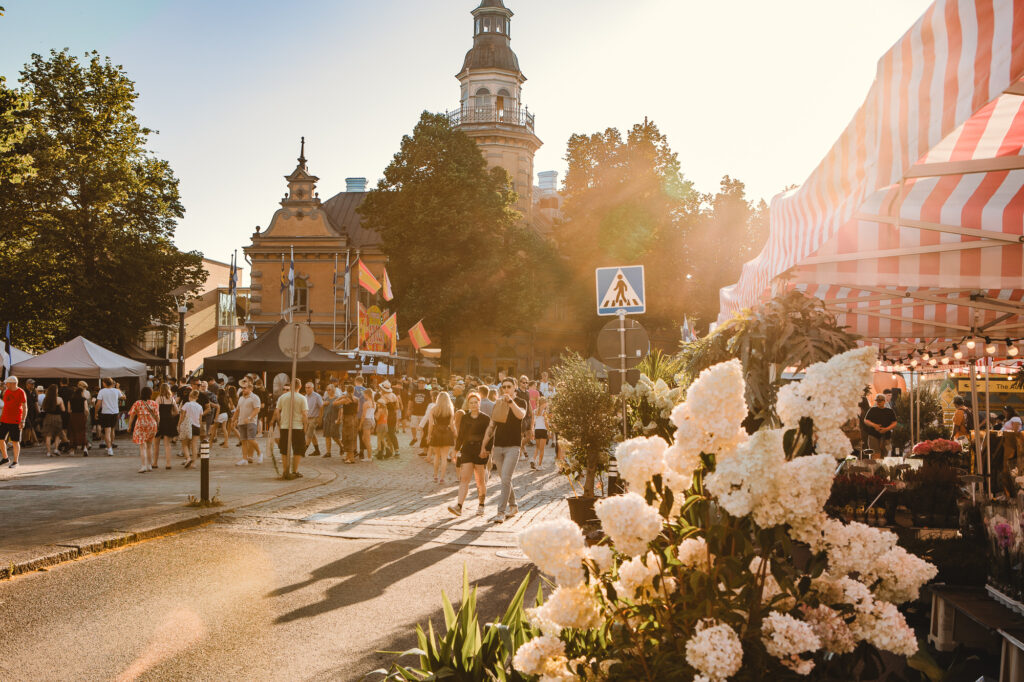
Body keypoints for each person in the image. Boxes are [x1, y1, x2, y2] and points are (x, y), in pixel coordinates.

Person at [480, 378, 527, 523]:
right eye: (504, 387)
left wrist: (510, 402)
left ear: (515, 388)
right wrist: (483, 446)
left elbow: (521, 415)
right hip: (498, 446)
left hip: (513, 446)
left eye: (509, 387)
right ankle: (513, 506)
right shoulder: (497, 404)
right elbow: (491, 426)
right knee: (505, 479)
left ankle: (500, 512)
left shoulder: (520, 402)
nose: (506, 389)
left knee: (505, 478)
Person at [448, 392, 491, 517]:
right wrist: (456, 450)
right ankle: (459, 506)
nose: (473, 405)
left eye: (475, 402)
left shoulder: (485, 418)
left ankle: (481, 505)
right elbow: (461, 435)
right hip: (467, 450)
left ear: (479, 403)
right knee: (464, 479)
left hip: (480, 451)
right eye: (471, 403)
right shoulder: (465, 418)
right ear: (468, 404)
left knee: (480, 481)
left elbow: (489, 436)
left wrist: (486, 450)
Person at [273, 378, 308, 479]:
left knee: (284, 449)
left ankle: (285, 471)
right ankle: (295, 470)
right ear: (300, 386)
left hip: (285, 426)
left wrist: (280, 424)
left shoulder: (282, 397)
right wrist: (305, 427)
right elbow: (305, 414)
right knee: (297, 450)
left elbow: (277, 412)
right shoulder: (302, 398)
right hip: (297, 427)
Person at [127, 387, 159, 473]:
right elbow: (157, 416)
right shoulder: (154, 403)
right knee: (149, 446)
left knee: (142, 446)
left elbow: (132, 416)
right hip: (152, 425)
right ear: (151, 394)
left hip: (141, 424)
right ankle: (149, 465)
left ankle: (143, 466)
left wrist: (129, 426)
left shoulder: (137, 403)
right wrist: (157, 424)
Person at [427, 391, 456, 484]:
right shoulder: (450, 409)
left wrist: (428, 435)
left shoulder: (433, 409)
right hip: (446, 433)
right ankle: (442, 478)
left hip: (436, 433)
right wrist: (455, 433)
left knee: (436, 456)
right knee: (444, 457)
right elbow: (452, 425)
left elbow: (430, 424)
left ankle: (435, 476)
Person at [0, 376, 28, 468]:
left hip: (16, 420)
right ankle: (5, 458)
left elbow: (25, 407)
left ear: (13, 383)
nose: (6, 385)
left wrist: (23, 420)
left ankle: (16, 461)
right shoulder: (6, 391)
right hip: (4, 419)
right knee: (1, 439)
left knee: (15, 441)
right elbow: (5, 405)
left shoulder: (21, 392)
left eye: (7, 383)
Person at [235, 379, 262, 465]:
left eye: (245, 388)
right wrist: (233, 419)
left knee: (251, 439)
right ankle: (244, 459)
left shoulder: (255, 397)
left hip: (251, 422)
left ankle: (260, 453)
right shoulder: (241, 398)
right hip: (241, 421)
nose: (243, 390)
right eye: (242, 388)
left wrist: (249, 417)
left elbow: (257, 409)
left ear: (251, 389)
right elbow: (237, 410)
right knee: (243, 440)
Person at [863, 394, 897, 459]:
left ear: (884, 401)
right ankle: (875, 468)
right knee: (875, 455)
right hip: (873, 435)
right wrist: (874, 425)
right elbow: (866, 420)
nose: (878, 402)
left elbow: (894, 422)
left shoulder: (890, 411)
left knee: (885, 456)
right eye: (877, 401)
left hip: (886, 436)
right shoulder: (872, 410)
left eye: (880, 401)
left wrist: (886, 429)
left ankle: (882, 468)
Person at [95, 377, 124, 456]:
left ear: (105, 383)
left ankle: (110, 449)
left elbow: (98, 404)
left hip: (106, 412)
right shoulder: (116, 391)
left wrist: (96, 412)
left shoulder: (102, 391)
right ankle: (110, 445)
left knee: (107, 431)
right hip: (115, 412)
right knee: (112, 430)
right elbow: (124, 397)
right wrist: (118, 388)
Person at [155, 383, 178, 469]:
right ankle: (168, 464)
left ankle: (155, 463)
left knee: (156, 443)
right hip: (169, 421)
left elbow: (156, 411)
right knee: (167, 444)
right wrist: (171, 414)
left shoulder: (159, 398)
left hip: (160, 421)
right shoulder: (172, 399)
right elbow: (176, 411)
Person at [179, 390, 203, 468]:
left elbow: (182, 416)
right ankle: (193, 463)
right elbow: (200, 419)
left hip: (187, 425)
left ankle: (188, 458)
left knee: (185, 444)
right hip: (196, 426)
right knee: (194, 445)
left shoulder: (187, 404)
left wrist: (179, 425)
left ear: (190, 397)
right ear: (197, 398)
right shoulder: (200, 406)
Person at [40, 384, 65, 457]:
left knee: (48, 435)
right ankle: (56, 449)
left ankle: (48, 451)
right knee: (58, 434)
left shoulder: (46, 399)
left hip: (48, 417)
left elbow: (43, 408)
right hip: (57, 417)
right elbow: (63, 409)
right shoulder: (59, 399)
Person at [378, 381, 400, 457]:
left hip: (386, 415)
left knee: (383, 433)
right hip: (393, 415)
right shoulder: (394, 395)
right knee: (392, 433)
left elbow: (381, 408)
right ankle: (396, 450)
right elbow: (397, 407)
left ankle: (384, 451)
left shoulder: (383, 397)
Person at [339, 384, 359, 463]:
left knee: (347, 438)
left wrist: (342, 397)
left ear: (347, 391)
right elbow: (357, 410)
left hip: (347, 419)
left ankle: (350, 458)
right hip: (354, 418)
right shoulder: (356, 399)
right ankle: (349, 457)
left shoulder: (346, 399)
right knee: (353, 437)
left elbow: (334, 403)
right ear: (353, 391)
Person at [322, 385, 343, 458]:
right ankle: (328, 452)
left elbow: (341, 409)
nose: (328, 391)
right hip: (327, 419)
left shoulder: (337, 399)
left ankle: (341, 446)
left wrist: (339, 419)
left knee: (334, 436)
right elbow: (323, 408)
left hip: (334, 419)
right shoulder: (326, 398)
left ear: (333, 390)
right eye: (327, 390)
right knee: (327, 436)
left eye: (329, 390)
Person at [68, 384, 89, 456]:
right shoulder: (84, 399)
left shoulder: (70, 399)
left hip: (73, 416)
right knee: (83, 431)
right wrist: (86, 415)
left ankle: (72, 450)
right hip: (81, 416)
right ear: (81, 392)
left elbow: (69, 410)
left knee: (73, 432)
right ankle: (85, 448)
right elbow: (86, 409)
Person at [303, 381, 323, 457]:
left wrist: (320, 418)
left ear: (312, 388)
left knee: (309, 433)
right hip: (308, 418)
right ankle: (317, 450)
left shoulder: (317, 396)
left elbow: (321, 407)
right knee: (312, 434)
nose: (307, 389)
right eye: (306, 387)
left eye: (309, 387)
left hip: (315, 417)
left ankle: (303, 450)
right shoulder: (305, 396)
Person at [409, 377, 430, 446]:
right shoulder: (414, 391)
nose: (421, 384)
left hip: (424, 413)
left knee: (423, 428)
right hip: (415, 412)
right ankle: (414, 438)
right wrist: (409, 409)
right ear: (417, 384)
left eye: (422, 383)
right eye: (419, 383)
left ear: (425, 384)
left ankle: (422, 441)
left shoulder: (428, 392)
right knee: (412, 426)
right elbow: (411, 401)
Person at [532, 396, 549, 470]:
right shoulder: (544, 412)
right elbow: (546, 423)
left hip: (537, 430)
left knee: (537, 447)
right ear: (544, 403)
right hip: (543, 430)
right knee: (542, 449)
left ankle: (533, 459)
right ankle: (539, 465)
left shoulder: (535, 411)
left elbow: (532, 422)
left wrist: (532, 431)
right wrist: (549, 430)